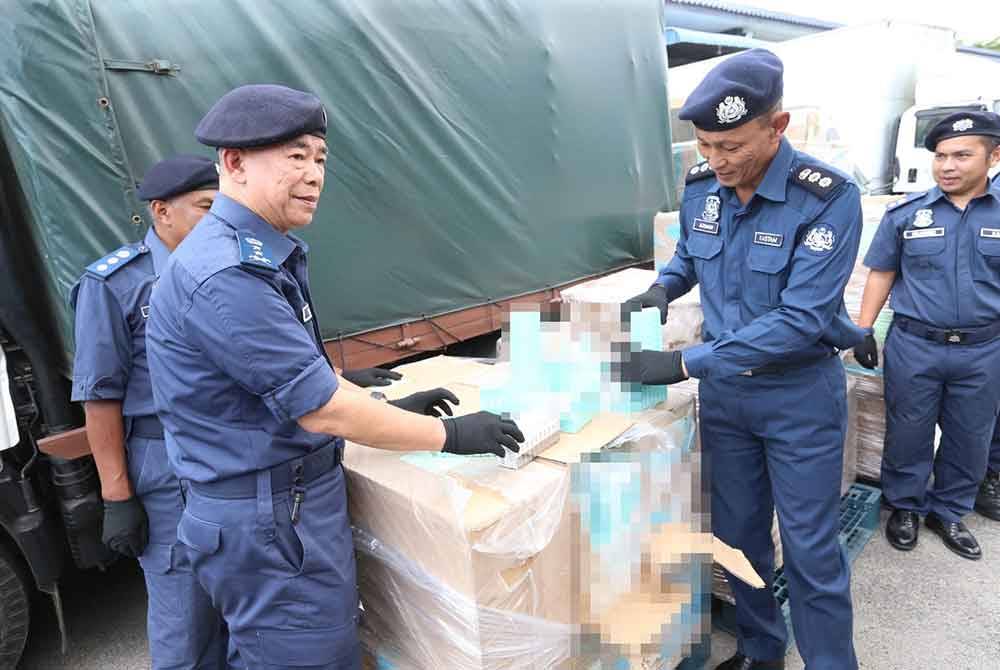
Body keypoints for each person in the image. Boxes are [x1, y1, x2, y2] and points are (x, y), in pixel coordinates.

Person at [145, 84, 523, 669]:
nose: (315, 174)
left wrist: (401, 409)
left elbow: (304, 377)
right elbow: (319, 407)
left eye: (320, 158)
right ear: (235, 163)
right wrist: (452, 437)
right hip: (270, 519)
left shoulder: (264, 252)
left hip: (285, 505)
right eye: (295, 157)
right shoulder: (226, 273)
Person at [623, 49, 863, 670]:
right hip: (727, 400)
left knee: (810, 549)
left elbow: (801, 319)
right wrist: (662, 287)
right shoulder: (704, 186)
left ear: (776, 126)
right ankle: (762, 650)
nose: (717, 161)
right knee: (738, 538)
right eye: (704, 145)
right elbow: (689, 258)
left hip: (797, 398)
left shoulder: (827, 198)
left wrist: (682, 364)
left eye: (731, 145)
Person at [70, 155, 229, 669]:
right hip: (166, 466)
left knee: (242, 608)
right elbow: (100, 397)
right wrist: (116, 494)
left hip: (234, 455)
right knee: (185, 616)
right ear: (162, 212)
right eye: (207, 207)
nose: (220, 217)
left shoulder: (230, 269)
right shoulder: (115, 284)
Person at [854, 111, 1000, 559]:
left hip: (984, 349)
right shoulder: (907, 214)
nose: (948, 166)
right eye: (940, 156)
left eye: (961, 155)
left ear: (994, 157)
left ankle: (949, 510)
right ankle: (905, 506)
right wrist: (861, 329)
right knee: (908, 431)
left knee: (970, 435)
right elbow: (882, 272)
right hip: (915, 346)